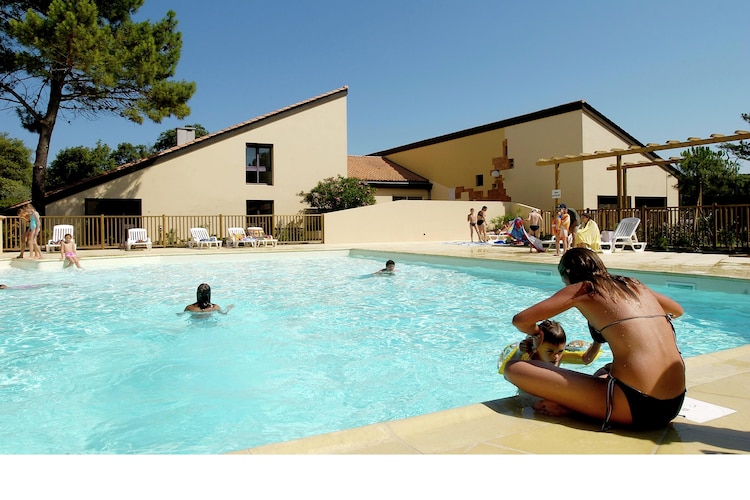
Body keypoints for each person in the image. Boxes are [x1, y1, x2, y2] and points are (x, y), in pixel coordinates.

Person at [504, 248, 686, 431]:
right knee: (604, 370)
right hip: (674, 404)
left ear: (568, 275)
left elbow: (521, 320)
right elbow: (677, 311)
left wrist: (537, 333)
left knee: (514, 368)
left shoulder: (585, 288)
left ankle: (572, 408)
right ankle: (591, 403)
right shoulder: (634, 285)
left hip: (638, 407)